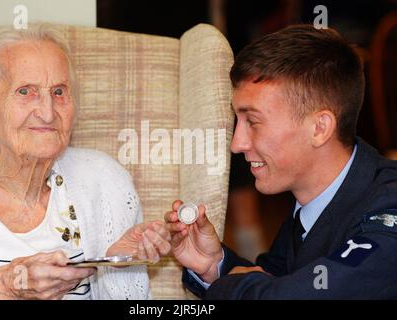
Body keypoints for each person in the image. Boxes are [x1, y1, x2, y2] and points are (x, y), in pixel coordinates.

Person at [165, 24, 397, 299]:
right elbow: (274, 282)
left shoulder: (389, 206)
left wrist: (229, 288)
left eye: (252, 121)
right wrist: (212, 265)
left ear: (319, 128)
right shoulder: (313, 202)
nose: (237, 144)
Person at [0, 24, 171, 300]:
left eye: (58, 92)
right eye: (25, 91)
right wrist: (4, 285)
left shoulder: (105, 179)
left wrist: (117, 266)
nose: (47, 111)